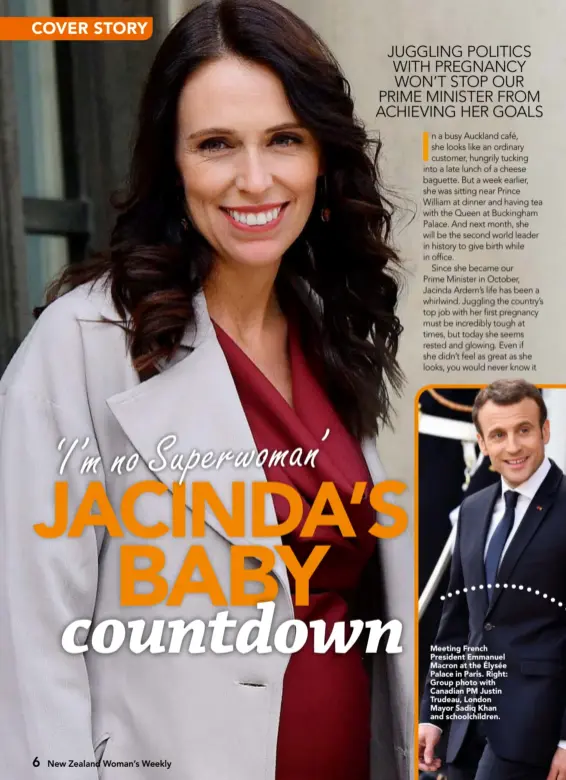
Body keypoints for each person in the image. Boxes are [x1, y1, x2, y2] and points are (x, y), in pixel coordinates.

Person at [0, 1, 412, 779]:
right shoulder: (82, 347)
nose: (254, 179)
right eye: (216, 145)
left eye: (283, 139)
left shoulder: (328, 329)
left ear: (321, 155)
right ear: (173, 163)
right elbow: (29, 656)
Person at [419, 379, 566, 780]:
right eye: (498, 435)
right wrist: (433, 715)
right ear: (482, 444)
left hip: (534, 729)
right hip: (465, 727)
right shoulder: (472, 509)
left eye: (524, 430)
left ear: (545, 431)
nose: (513, 447)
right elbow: (455, 624)